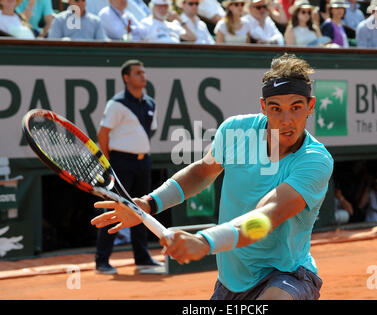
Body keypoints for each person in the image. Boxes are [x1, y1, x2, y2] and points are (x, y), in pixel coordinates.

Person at [91, 53, 334, 300]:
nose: (286, 120)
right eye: (275, 109)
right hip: (230, 282)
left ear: (310, 106)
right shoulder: (235, 130)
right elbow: (202, 172)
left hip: (287, 275)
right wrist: (148, 204)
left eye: (296, 107)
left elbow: (267, 216)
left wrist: (205, 242)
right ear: (263, 107)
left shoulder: (315, 161)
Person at [94, 59, 163, 274]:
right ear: (126, 78)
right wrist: (107, 165)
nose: (143, 76)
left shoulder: (151, 103)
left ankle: (142, 258)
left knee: (141, 208)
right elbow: (103, 134)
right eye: (138, 73)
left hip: (143, 162)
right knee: (116, 208)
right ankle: (102, 261)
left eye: (144, 72)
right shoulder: (117, 104)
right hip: (120, 163)